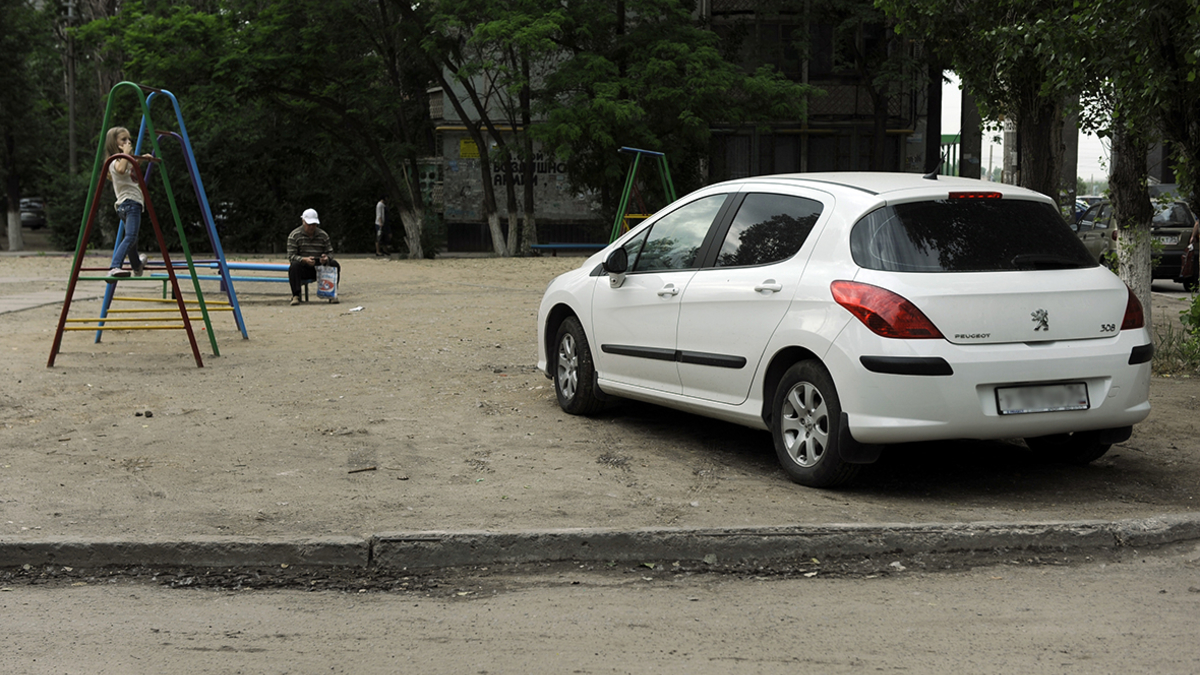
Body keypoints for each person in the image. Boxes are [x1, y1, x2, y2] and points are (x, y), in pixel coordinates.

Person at [105, 126, 152, 278]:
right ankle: (114, 266)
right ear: (114, 143)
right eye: (123, 140)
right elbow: (120, 169)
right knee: (131, 237)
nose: (128, 142)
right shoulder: (115, 161)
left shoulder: (126, 161)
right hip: (129, 204)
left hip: (130, 204)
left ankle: (137, 266)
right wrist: (126, 153)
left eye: (129, 139)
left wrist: (142, 158)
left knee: (132, 238)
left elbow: (130, 168)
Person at [287, 208, 340, 306]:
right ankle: (296, 295)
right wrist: (303, 260)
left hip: (320, 265)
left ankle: (332, 294)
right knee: (294, 266)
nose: (312, 227)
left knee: (334, 264)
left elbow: (330, 252)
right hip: (303, 267)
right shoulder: (294, 235)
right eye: (309, 224)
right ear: (303, 222)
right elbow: (291, 256)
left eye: (314, 224)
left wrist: (326, 258)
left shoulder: (323, 235)